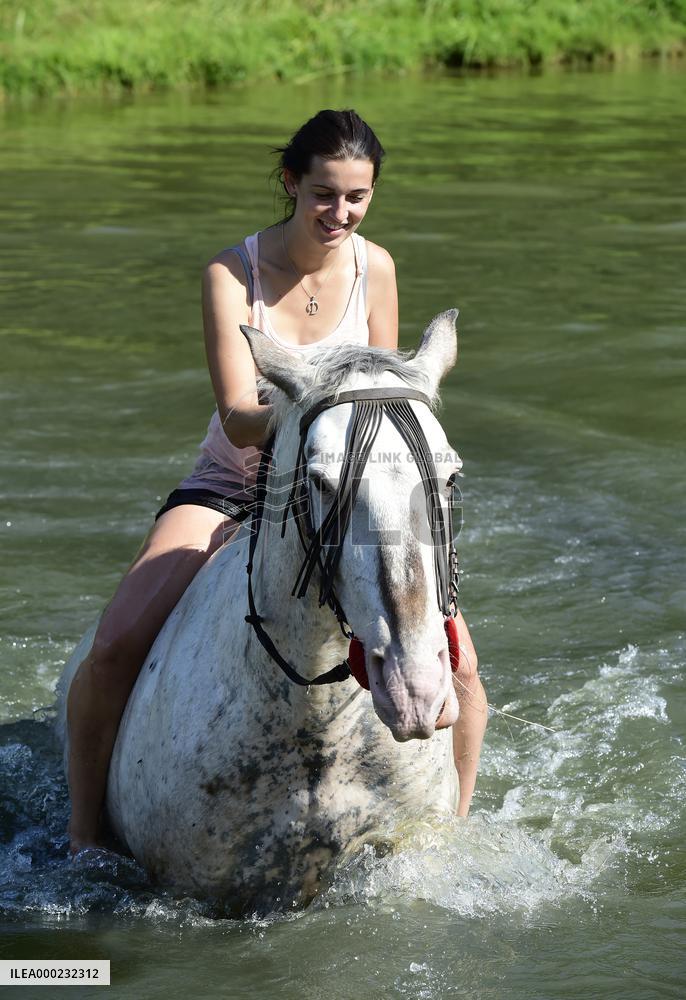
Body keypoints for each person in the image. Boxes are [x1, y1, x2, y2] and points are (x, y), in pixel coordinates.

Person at [66, 109, 487, 854]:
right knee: (112, 648)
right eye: (325, 194)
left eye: (358, 196)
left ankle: (456, 830)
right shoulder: (234, 274)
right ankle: (84, 837)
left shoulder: (375, 266)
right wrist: (310, 416)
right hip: (235, 483)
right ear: (291, 184)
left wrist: (353, 429)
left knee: (465, 663)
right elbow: (235, 414)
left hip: (346, 492)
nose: (341, 213)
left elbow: (378, 401)